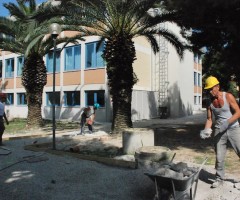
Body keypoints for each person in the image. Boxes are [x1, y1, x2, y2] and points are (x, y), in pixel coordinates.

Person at [202, 76, 240, 188]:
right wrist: (206, 130)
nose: (210, 91)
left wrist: (227, 123)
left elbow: (238, 112)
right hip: (219, 130)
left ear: (217, 86)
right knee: (219, 156)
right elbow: (209, 119)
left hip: (233, 127)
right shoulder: (209, 102)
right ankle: (219, 178)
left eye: (211, 88)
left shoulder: (228, 96)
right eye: (208, 89)